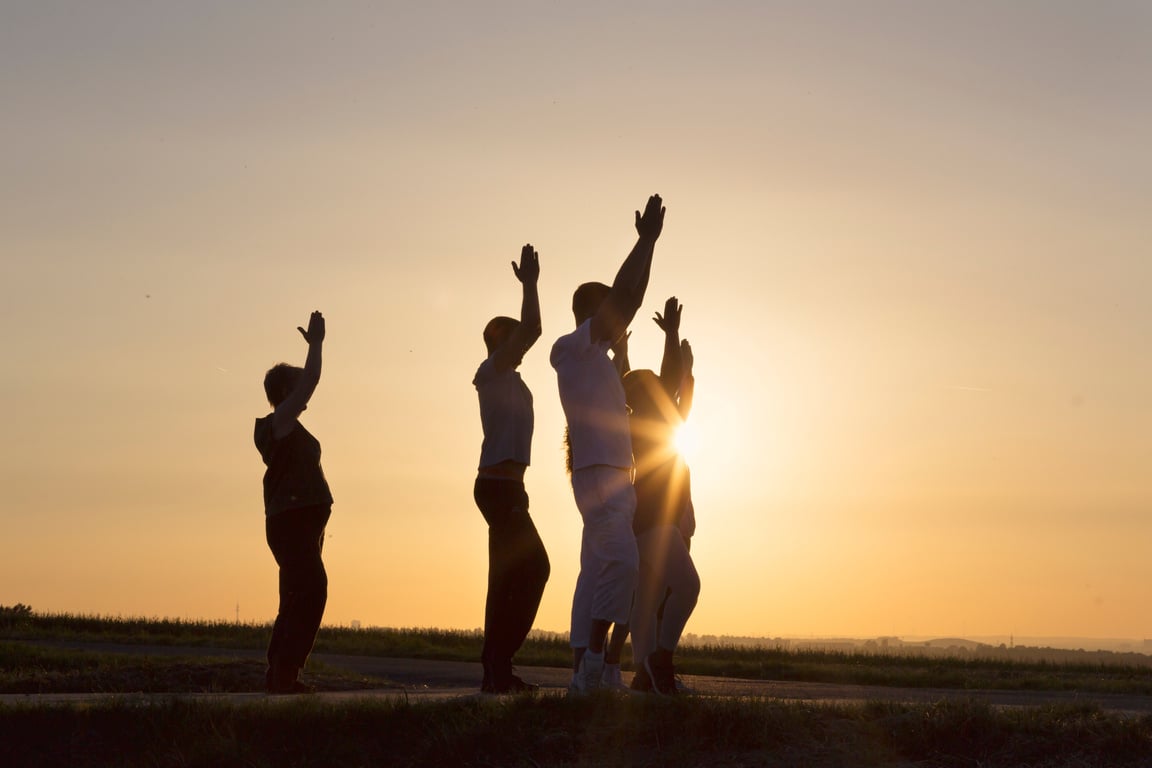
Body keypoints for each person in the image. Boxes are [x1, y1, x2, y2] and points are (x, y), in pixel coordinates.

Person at [551, 193, 666, 693]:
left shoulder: (598, 361)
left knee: (597, 568)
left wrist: (650, 247)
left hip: (613, 475)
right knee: (621, 563)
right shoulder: (571, 348)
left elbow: (629, 299)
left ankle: (587, 672)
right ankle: (595, 665)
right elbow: (627, 297)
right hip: (599, 475)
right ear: (591, 314)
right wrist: (643, 243)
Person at [473, 244, 551, 694]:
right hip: (496, 487)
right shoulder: (491, 372)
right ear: (500, 343)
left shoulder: (515, 380)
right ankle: (497, 664)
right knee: (534, 567)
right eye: (514, 337)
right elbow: (534, 328)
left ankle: (496, 669)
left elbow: (530, 332)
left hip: (510, 488)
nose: (522, 341)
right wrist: (531, 285)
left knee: (507, 577)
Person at [622, 298, 700, 695]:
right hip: (653, 518)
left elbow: (681, 399)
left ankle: (643, 675)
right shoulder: (642, 420)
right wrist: (671, 337)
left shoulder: (649, 420)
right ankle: (659, 662)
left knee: (650, 598)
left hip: (649, 517)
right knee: (687, 587)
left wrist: (686, 370)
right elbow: (673, 385)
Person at [253, 311, 333, 694]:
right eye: (297, 385)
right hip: (292, 522)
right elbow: (312, 381)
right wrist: (316, 344)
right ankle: (285, 673)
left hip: (301, 523)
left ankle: (280, 674)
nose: (306, 391)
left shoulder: (288, 425)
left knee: (296, 594)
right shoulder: (278, 423)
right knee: (312, 590)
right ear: (285, 393)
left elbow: (308, 384)